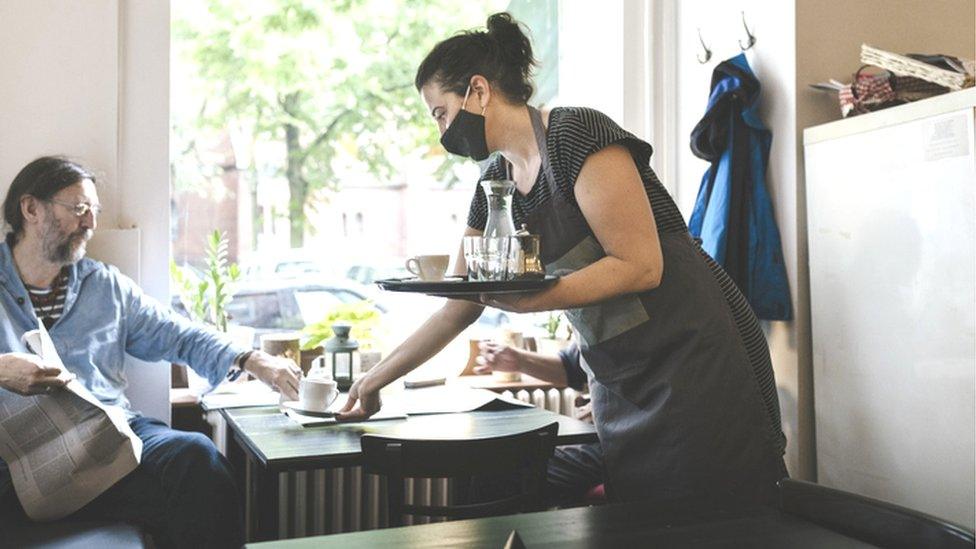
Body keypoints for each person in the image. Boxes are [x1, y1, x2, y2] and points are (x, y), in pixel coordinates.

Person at [339, 12, 787, 512]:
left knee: (720, 519)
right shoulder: (496, 184)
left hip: (697, 358)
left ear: (479, 92)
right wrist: (374, 379)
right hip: (622, 378)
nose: (442, 130)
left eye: (440, 112)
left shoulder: (576, 134)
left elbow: (641, 266)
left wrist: (536, 301)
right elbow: (458, 303)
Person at [0, 156, 302, 548]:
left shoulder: (106, 287)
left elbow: (180, 335)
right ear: (30, 209)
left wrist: (252, 359)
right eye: (78, 209)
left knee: (196, 457)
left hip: (108, 448)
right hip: (17, 463)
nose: (90, 223)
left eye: (94, 211)